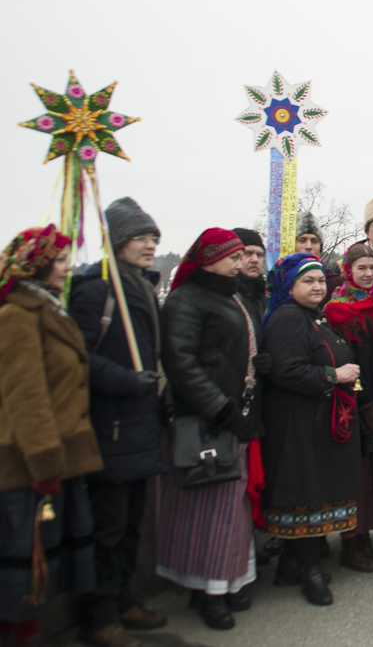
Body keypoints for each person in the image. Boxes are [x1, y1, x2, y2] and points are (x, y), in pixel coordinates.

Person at [68, 199, 169, 647]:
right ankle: (100, 615)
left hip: (140, 423)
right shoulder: (96, 291)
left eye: (153, 239)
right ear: (117, 242)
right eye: (140, 238)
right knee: (107, 528)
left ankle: (125, 598)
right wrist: (126, 381)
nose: (149, 246)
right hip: (112, 425)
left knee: (130, 525)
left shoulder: (142, 286)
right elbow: (79, 358)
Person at [0, 225, 102, 647]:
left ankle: (35, 630)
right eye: (60, 260)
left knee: (51, 555)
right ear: (37, 266)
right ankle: (20, 635)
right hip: (28, 463)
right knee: (24, 560)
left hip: (61, 453)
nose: (67, 267)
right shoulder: (15, 316)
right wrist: (44, 461)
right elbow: (27, 396)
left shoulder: (48, 309)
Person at [157, 229, 259, 630]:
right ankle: (206, 591)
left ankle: (227, 580)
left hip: (231, 417)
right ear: (209, 258)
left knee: (230, 509)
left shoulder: (227, 295)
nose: (239, 263)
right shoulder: (185, 300)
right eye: (232, 257)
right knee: (207, 511)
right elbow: (181, 362)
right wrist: (221, 410)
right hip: (204, 421)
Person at [260, 253, 361, 605]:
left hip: (316, 419)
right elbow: (285, 371)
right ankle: (310, 571)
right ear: (289, 286)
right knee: (305, 494)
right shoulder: (288, 319)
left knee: (311, 491)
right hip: (299, 423)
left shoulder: (310, 317)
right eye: (308, 281)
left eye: (320, 280)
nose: (318, 286)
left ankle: (292, 565)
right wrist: (335, 375)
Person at [323, 244, 373, 572]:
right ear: (349, 270)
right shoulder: (338, 310)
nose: (368, 274)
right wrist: (364, 402)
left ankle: (367, 540)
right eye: (361, 268)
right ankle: (351, 543)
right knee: (359, 474)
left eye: (372, 268)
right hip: (355, 403)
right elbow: (343, 360)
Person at [294, 213, 343, 304]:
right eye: (302, 240)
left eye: (314, 241)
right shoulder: (280, 280)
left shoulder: (335, 284)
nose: (308, 246)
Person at [232, 229, 267, 325]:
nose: (255, 260)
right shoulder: (223, 295)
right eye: (247, 253)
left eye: (259, 255)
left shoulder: (265, 297)